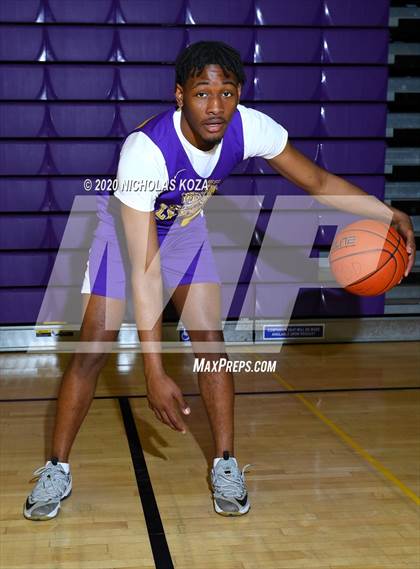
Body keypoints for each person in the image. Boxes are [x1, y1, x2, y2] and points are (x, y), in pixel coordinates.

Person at [23, 41, 416, 521]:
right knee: (93, 348)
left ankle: (225, 464)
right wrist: (154, 371)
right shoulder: (144, 153)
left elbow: (315, 181)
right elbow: (145, 269)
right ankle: (56, 467)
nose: (215, 106)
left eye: (226, 93)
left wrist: (386, 211)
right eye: (202, 93)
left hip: (184, 230)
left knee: (211, 341)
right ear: (179, 95)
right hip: (125, 239)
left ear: (239, 94)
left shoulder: (249, 127)